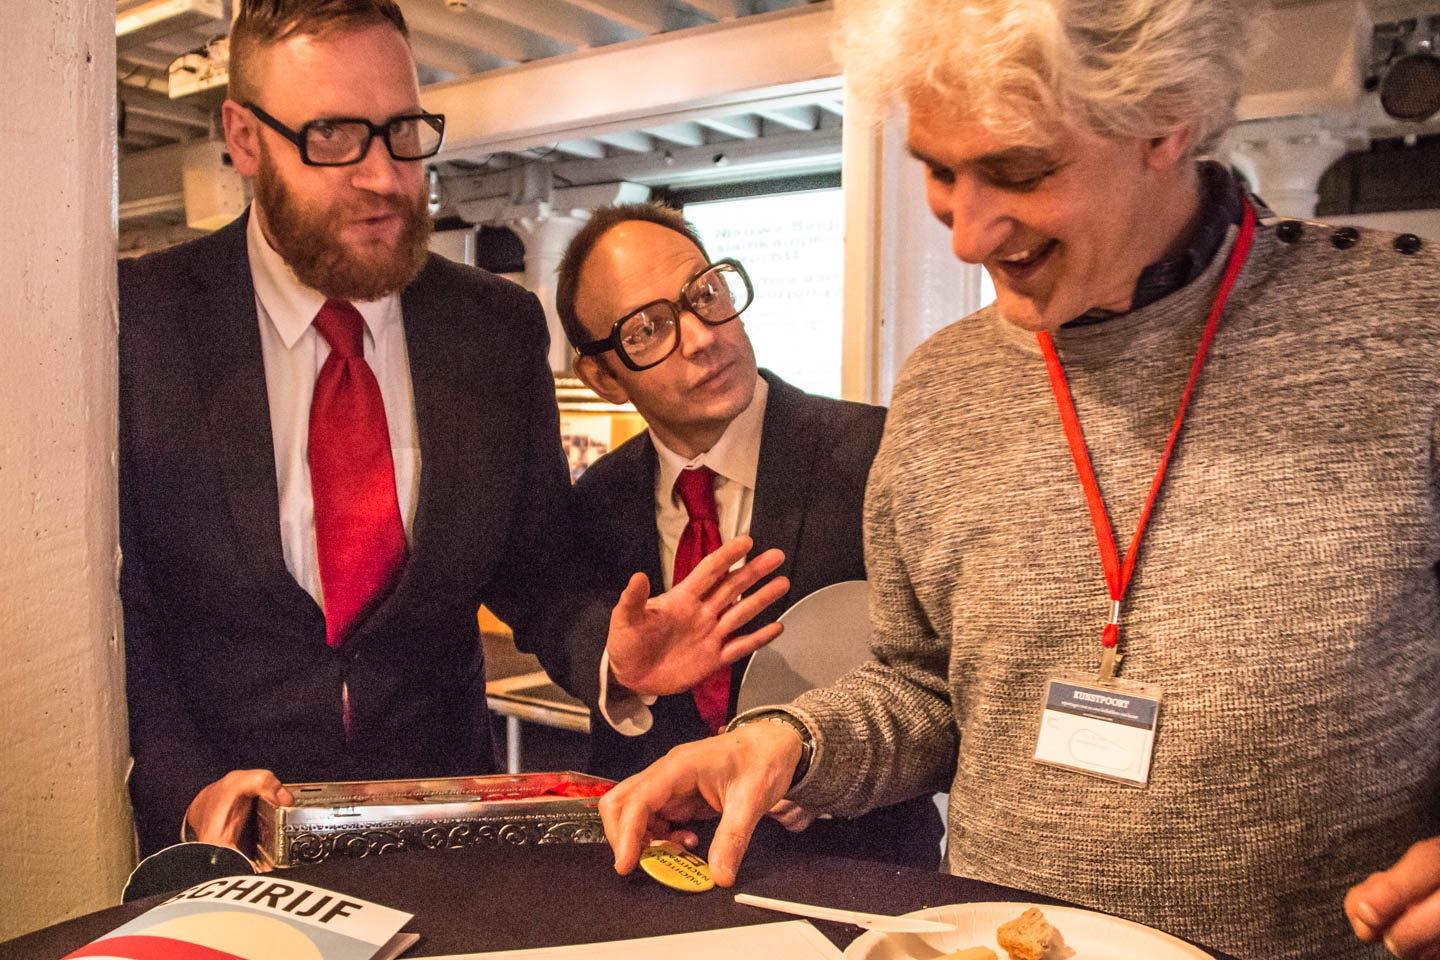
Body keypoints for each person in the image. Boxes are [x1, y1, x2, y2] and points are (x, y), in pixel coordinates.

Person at [596, 2, 1440, 959]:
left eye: (1020, 170)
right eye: (939, 170)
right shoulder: (943, 386)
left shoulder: (1409, 333)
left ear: (1167, 118)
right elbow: (925, 688)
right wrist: (791, 742)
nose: (966, 234)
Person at [118, 0, 783, 859]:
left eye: (403, 132)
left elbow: (536, 568)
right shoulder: (145, 322)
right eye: (332, 137)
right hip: (228, 842)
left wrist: (611, 653)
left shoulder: (493, 327)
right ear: (243, 138)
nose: (385, 177)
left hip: (445, 838)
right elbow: (125, 608)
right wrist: (186, 788)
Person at [551, 203, 944, 868]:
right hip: (659, 866)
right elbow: (575, 642)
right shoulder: (595, 502)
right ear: (603, 377)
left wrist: (820, 765)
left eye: (706, 294)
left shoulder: (878, 454)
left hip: (857, 872)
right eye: (648, 330)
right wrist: (623, 674)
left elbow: (949, 685)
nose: (701, 336)